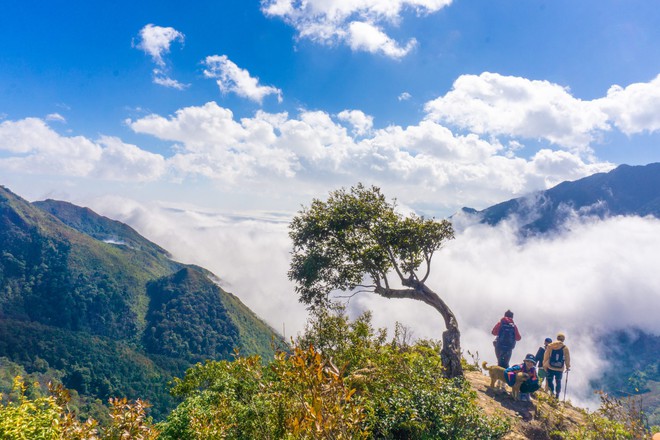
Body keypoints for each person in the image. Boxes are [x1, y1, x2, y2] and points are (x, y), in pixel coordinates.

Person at [543, 333, 571, 399]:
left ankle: (552, 392)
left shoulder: (551, 346)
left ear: (557, 338)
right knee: (558, 381)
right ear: (563, 339)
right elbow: (567, 358)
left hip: (550, 366)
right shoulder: (565, 348)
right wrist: (567, 366)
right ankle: (557, 395)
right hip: (560, 368)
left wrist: (545, 364)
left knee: (550, 380)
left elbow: (546, 356)